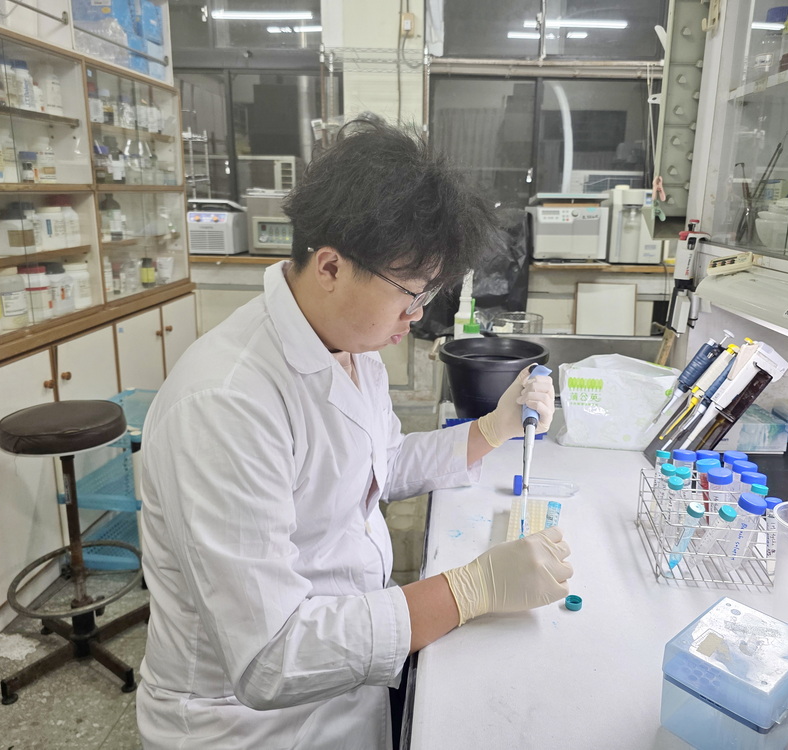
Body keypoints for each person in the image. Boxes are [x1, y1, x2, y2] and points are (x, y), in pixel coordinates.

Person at [136, 118, 573, 749]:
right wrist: (470, 589)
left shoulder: (347, 342)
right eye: (410, 295)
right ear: (331, 267)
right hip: (246, 724)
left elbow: (379, 463)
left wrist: (493, 428)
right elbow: (270, 657)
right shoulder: (225, 404)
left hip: (344, 673)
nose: (416, 317)